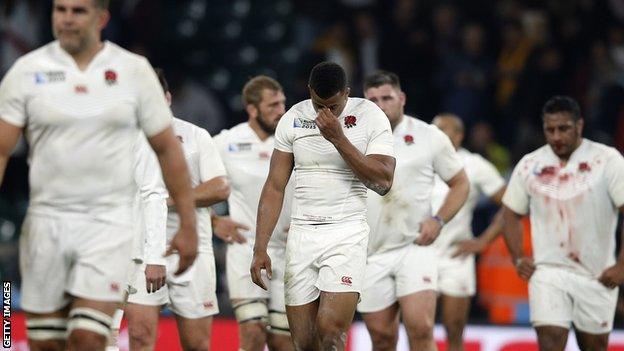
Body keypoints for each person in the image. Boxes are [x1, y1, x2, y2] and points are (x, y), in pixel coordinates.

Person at [0, 1, 197, 350]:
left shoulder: (133, 72)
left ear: (102, 18)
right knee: (48, 343)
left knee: (90, 337)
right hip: (47, 222)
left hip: (107, 224)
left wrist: (187, 223)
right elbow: (2, 150)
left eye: (79, 11)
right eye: (60, 10)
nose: (67, 18)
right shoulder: (26, 72)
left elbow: (168, 149)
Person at [251, 62, 396, 351]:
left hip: (346, 232)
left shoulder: (370, 116)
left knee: (330, 334)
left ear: (347, 93)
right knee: (304, 343)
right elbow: (274, 186)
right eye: (319, 105)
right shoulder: (293, 118)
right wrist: (260, 247)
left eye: (333, 105)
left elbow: (383, 181)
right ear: (309, 92)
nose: (325, 113)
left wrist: (339, 138)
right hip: (302, 234)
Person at [502, 95, 624, 351]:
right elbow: (510, 212)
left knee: (594, 347)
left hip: (597, 275)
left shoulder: (607, 160)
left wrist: (622, 265)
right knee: (550, 343)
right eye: (550, 129)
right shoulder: (530, 164)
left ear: (579, 125)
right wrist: (518, 257)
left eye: (564, 128)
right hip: (548, 271)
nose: (556, 136)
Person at [359, 71, 469, 351]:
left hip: (414, 246)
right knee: (382, 338)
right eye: (373, 100)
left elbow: (460, 183)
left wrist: (438, 219)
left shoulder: (429, 136)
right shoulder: (353, 139)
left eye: (387, 98)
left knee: (420, 329)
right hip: (369, 252)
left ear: (402, 98)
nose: (381, 105)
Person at [124, 69, 230, 351]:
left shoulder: (195, 136)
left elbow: (220, 188)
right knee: (139, 337)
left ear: (168, 98)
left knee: (197, 344)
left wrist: (171, 201)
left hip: (191, 252)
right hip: (140, 251)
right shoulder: (124, 140)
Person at [212, 75, 294, 351]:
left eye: (282, 103)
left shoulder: (295, 140)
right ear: (252, 109)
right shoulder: (226, 143)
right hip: (245, 248)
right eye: (272, 105)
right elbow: (185, 183)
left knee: (283, 341)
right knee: (253, 332)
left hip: (290, 251)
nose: (280, 111)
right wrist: (214, 221)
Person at [431, 113, 506, 351]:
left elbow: (512, 204)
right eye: (434, 129)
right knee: (419, 328)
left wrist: (482, 242)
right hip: (420, 255)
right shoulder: (419, 160)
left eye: (444, 129)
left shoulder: (474, 165)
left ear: (459, 135)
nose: (437, 133)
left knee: (454, 331)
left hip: (456, 256)